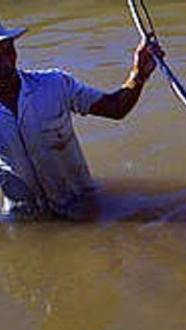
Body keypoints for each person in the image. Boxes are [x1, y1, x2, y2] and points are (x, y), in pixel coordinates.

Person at [0, 20, 164, 220]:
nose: (4, 62)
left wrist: (139, 74)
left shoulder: (54, 85)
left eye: (8, 51)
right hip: (23, 219)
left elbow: (116, 108)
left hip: (80, 207)